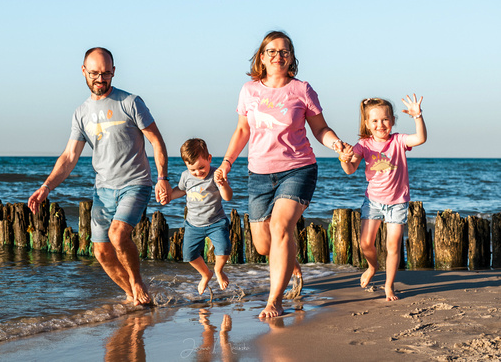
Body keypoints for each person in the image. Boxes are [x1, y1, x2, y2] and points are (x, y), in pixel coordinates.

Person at [216, 31, 351, 318]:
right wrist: (227, 163)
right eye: (272, 51)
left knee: (280, 227)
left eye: (284, 51)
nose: (278, 56)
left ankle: (274, 301)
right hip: (259, 174)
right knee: (264, 245)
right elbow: (242, 130)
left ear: (291, 57)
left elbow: (320, 129)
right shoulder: (249, 90)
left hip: (298, 169)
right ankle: (290, 263)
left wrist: (336, 143)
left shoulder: (302, 90)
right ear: (262, 57)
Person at [27, 47, 172, 306]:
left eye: (106, 73)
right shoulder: (81, 113)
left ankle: (137, 282)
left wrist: (162, 178)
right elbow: (70, 156)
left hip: (135, 184)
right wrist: (46, 187)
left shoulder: (130, 102)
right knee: (101, 251)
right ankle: (136, 297)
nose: (100, 79)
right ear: (84, 71)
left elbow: (156, 141)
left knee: (118, 235)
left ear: (114, 72)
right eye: (94, 73)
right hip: (103, 189)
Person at [338, 94, 427, 301]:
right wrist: (343, 158)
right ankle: (372, 266)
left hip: (398, 202)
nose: (381, 125)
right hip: (373, 202)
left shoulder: (399, 140)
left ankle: (389, 286)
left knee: (393, 245)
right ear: (367, 124)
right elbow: (350, 169)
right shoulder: (364, 145)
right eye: (375, 121)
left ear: (393, 120)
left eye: (385, 119)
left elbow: (421, 138)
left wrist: (418, 116)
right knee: (365, 244)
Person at [166, 138, 233, 295]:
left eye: (201, 168)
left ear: (209, 158)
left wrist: (223, 184)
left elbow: (228, 197)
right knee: (189, 255)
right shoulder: (185, 176)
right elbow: (181, 190)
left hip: (216, 222)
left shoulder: (216, 175)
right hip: (193, 225)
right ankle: (205, 274)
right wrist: (168, 196)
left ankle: (218, 270)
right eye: (193, 170)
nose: (197, 173)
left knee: (224, 250)